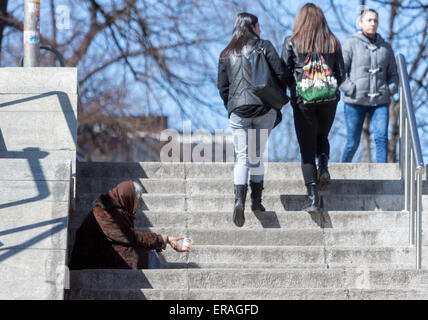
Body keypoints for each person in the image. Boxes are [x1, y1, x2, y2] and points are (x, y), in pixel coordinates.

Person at [217, 12, 288, 227]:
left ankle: (239, 200)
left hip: (238, 111)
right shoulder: (263, 46)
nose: (261, 30)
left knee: (242, 157)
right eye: (259, 26)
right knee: (256, 156)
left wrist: (232, 107)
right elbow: (281, 73)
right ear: (252, 27)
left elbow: (223, 87)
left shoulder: (226, 53)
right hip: (263, 108)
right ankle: (256, 201)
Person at [282, 3, 345, 213]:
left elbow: (284, 73)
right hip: (329, 99)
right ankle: (324, 165)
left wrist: (296, 90)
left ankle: (313, 198)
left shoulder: (292, 42)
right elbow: (342, 74)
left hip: (304, 101)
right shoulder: (333, 42)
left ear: (300, 20)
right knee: (322, 138)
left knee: (307, 150)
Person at [69, 180, 186, 270]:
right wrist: (163, 239)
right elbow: (130, 238)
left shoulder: (115, 211)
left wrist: (161, 241)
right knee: (147, 256)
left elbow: (129, 239)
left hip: (101, 255)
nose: (139, 206)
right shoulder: (104, 213)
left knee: (148, 253)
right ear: (128, 198)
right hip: (89, 261)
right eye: (138, 201)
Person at [340, 9, 398, 163]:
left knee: (381, 139)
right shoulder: (351, 43)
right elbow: (339, 72)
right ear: (361, 23)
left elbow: (393, 74)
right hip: (354, 101)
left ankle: (381, 177)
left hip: (380, 101)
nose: (373, 23)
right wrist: (350, 89)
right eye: (369, 20)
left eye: (375, 20)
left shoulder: (386, 47)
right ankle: (338, 175)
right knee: (352, 143)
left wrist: (389, 90)